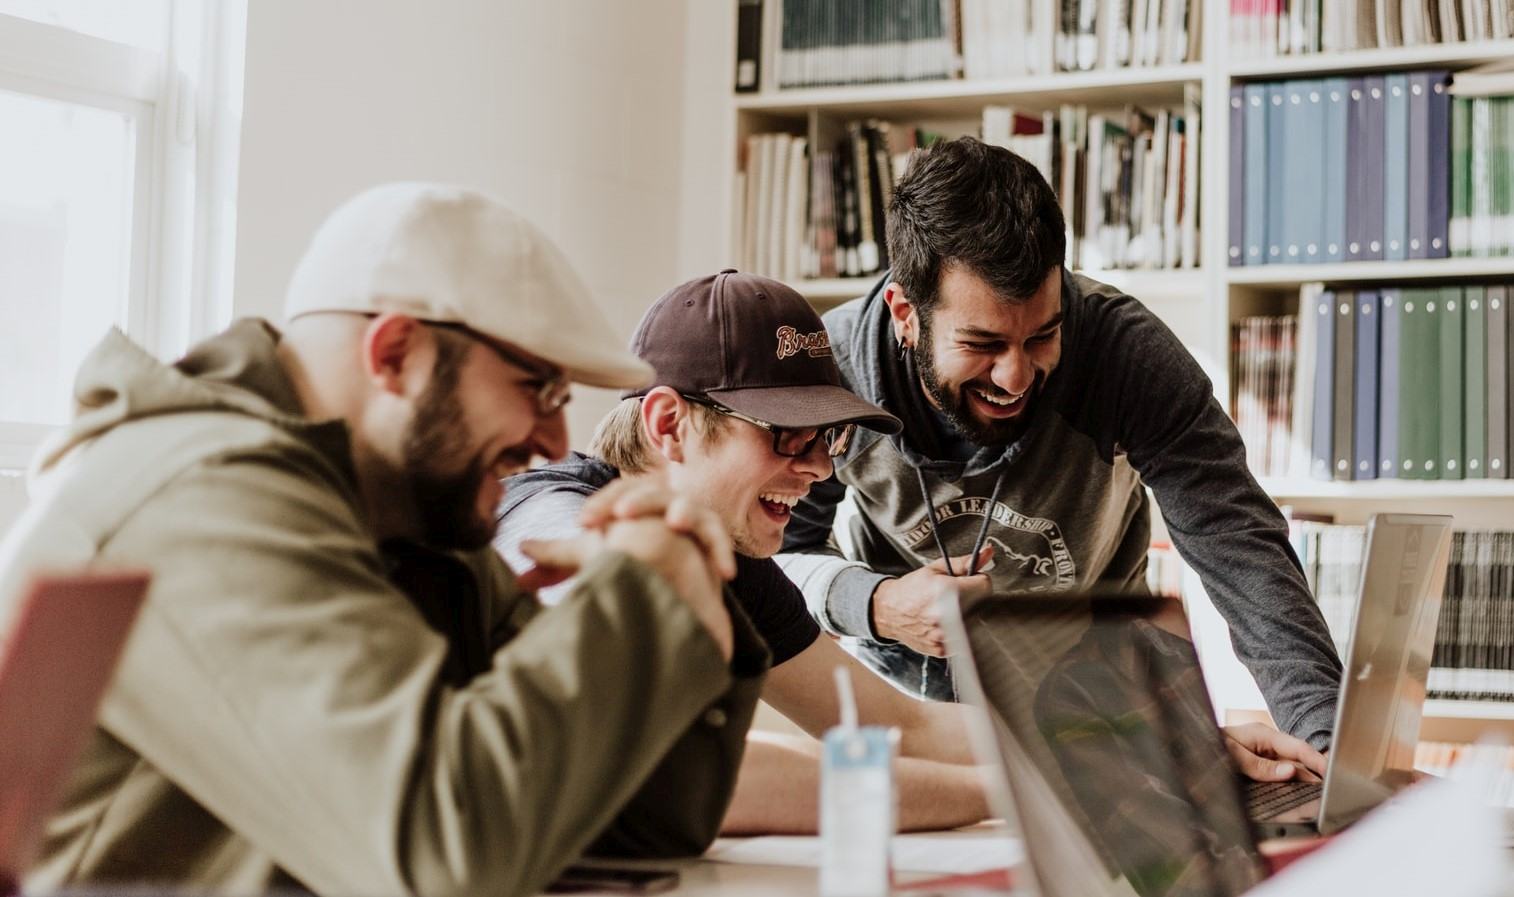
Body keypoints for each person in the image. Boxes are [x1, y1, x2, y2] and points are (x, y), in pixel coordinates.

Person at [0, 184, 769, 897]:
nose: (555, 438)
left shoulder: (411, 518)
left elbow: (634, 824)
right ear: (395, 352)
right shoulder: (201, 498)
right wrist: (639, 595)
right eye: (536, 387)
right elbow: (441, 854)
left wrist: (689, 597)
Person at [494, 270, 1323, 835]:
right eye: (787, 436)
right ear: (669, 424)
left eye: (827, 439)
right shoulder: (556, 519)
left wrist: (1154, 746)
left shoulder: (732, 558)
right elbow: (683, 770)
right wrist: (1061, 789)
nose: (819, 468)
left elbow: (894, 723)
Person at [777, 136, 1344, 750]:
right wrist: (879, 604)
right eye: (983, 345)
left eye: (1042, 336)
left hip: (1095, 700)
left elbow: (1239, 546)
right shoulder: (832, 375)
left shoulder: (1128, 355)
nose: (1015, 377)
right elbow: (775, 560)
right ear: (905, 314)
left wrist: (1325, 742)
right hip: (904, 711)